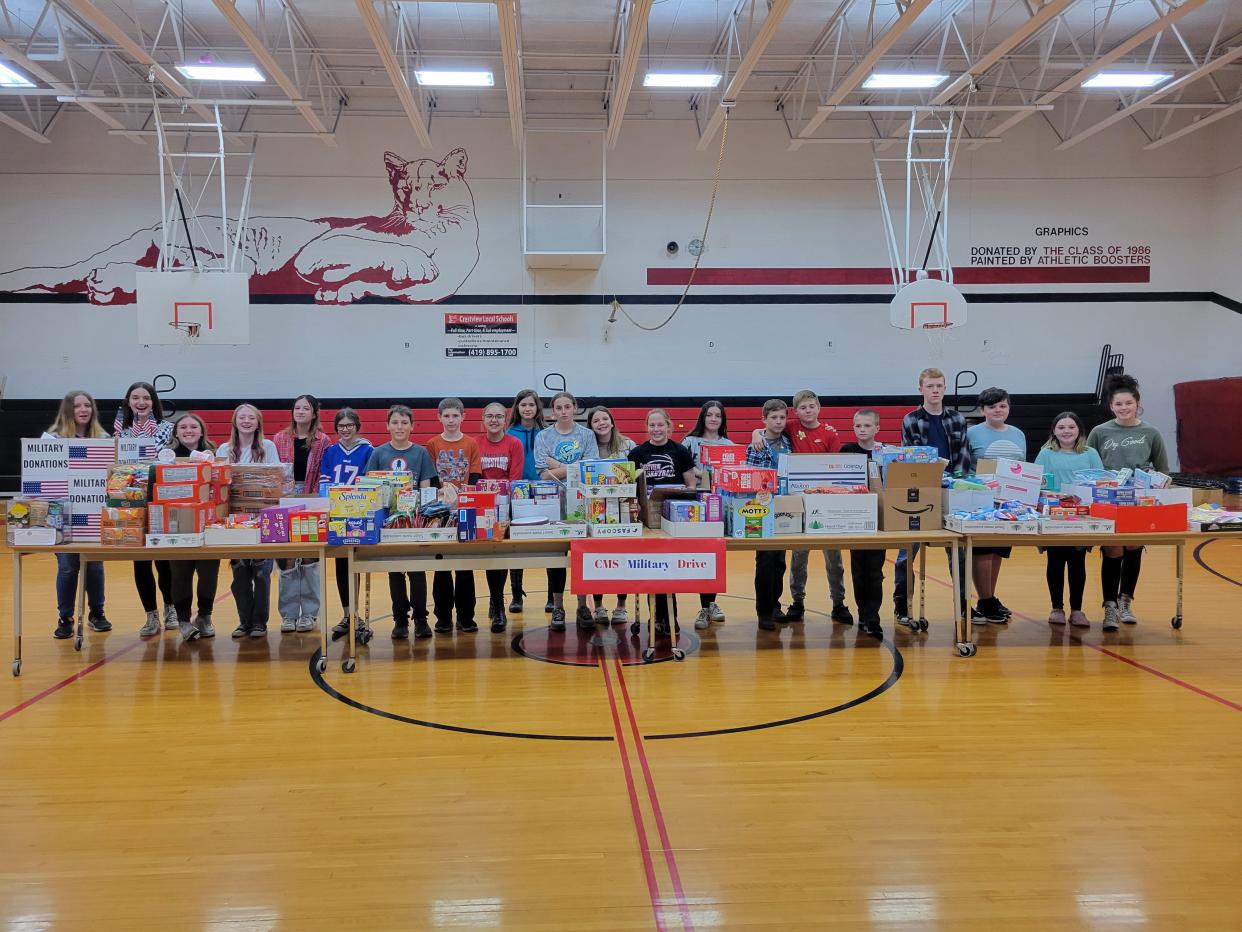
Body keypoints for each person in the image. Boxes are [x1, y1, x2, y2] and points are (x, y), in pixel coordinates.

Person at [751, 390, 850, 625]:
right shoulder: (790, 427)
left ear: (819, 407)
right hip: (796, 500)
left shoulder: (829, 432)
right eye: (803, 408)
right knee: (797, 556)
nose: (808, 411)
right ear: (795, 412)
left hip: (826, 500)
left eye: (812, 406)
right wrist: (755, 432)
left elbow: (836, 465)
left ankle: (839, 602)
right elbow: (766, 427)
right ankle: (797, 602)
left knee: (833, 556)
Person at [1088, 374, 1170, 630]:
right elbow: (1089, 465)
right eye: (1118, 404)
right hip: (1108, 501)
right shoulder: (1099, 432)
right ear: (1111, 406)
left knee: (1133, 548)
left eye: (1128, 403)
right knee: (1113, 550)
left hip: (1140, 500)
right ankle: (1109, 606)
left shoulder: (1151, 432)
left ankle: (1126, 601)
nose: (1124, 408)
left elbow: (1163, 470)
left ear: (1137, 403)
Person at [893, 368, 972, 625]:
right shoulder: (911, 419)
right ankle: (902, 606)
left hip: (952, 490)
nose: (935, 390)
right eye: (930, 386)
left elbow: (963, 456)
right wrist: (933, 474)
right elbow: (912, 456)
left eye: (939, 386)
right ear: (921, 389)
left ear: (945, 388)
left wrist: (958, 482)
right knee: (907, 551)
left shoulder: (958, 419)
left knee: (959, 552)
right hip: (921, 491)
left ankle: (963, 606)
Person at [365, 405, 437, 640]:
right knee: (395, 572)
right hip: (387, 523)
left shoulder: (421, 453)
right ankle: (400, 620)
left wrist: (421, 516)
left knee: (417, 571)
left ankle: (421, 618)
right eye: (395, 422)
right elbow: (370, 488)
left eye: (404, 423)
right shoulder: (378, 453)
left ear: (412, 426)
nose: (399, 427)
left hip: (413, 521)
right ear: (387, 426)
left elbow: (425, 488)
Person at [43, 390, 111, 639]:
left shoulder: (103, 438)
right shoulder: (52, 439)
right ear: (68, 410)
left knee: (94, 566)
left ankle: (97, 613)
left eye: (87, 406)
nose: (83, 410)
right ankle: (65, 617)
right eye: (77, 406)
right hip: (62, 516)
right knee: (68, 567)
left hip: (93, 515)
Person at [114, 380, 177, 636]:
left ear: (154, 402)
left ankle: (170, 608)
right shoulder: (120, 429)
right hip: (131, 501)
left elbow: (158, 455)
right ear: (128, 402)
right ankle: (150, 615)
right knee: (140, 562)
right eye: (136, 398)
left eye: (146, 398)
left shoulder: (166, 428)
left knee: (164, 560)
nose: (141, 402)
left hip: (159, 498)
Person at [534, 391, 599, 631]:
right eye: (558, 408)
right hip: (553, 502)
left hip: (581, 502)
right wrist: (573, 466)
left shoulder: (587, 435)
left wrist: (557, 465)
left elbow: (589, 468)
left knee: (581, 555)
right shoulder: (543, 436)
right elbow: (542, 471)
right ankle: (558, 606)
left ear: (575, 408)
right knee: (557, 558)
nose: (563, 411)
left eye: (567, 407)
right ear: (553, 412)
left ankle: (583, 605)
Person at [629, 409, 697, 635]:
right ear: (646, 427)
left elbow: (691, 486)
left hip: (671, 517)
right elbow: (631, 487)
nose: (656, 429)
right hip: (646, 519)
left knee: (667, 568)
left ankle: (669, 617)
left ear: (669, 426)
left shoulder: (680, 451)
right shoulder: (637, 453)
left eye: (660, 425)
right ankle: (655, 617)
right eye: (652, 425)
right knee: (651, 567)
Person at [216, 404, 280, 639]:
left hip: (262, 518)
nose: (246, 421)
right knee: (240, 572)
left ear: (258, 422)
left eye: (251, 417)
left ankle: (260, 622)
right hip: (234, 520)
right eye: (241, 417)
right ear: (234, 421)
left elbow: (275, 481)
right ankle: (244, 621)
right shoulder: (224, 449)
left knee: (262, 573)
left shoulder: (268, 447)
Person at [1035, 412, 1105, 628]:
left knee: (1077, 562)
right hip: (1054, 516)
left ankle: (1077, 610)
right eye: (1061, 427)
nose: (1066, 431)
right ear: (1054, 431)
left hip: (1082, 515)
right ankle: (1056, 607)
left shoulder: (1090, 453)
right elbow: (1037, 482)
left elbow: (1100, 482)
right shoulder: (1045, 454)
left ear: (1079, 430)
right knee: (1055, 561)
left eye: (1071, 427)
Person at [965, 387, 1027, 624]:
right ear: (983, 410)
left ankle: (987, 599)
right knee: (982, 550)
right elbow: (965, 466)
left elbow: (1021, 467)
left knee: (999, 550)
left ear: (1008, 407)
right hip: (981, 501)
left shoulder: (1018, 434)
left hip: (1009, 502)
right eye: (992, 407)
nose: (998, 410)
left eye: (1002, 405)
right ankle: (986, 598)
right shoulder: (972, 434)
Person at [273, 394, 331, 635]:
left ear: (314, 413)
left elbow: (323, 472)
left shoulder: (323, 440)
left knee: (309, 557)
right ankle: (288, 615)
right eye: (297, 408)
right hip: (284, 498)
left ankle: (309, 614)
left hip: (312, 497)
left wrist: (315, 500)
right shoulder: (279, 438)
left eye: (305, 408)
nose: (300, 412)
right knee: (286, 557)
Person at [426, 397, 483, 634]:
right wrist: (443, 495)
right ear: (439, 418)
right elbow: (430, 478)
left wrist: (464, 497)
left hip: (464, 508)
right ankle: (443, 616)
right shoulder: (432, 444)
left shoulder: (471, 443)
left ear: (463, 417)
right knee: (441, 563)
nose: (450, 420)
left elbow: (475, 476)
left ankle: (466, 615)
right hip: (440, 509)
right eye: (446, 416)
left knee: (464, 563)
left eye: (455, 416)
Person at [165, 414, 222, 642]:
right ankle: (184, 621)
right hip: (177, 525)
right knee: (180, 574)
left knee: (208, 572)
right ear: (176, 433)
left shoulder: (213, 456)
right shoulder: (166, 458)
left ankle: (205, 617)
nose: (188, 430)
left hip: (208, 525)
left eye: (193, 427)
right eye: (183, 427)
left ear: (201, 431)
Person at [319, 408, 374, 641]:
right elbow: (324, 482)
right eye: (341, 425)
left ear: (357, 426)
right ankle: (348, 614)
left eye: (349, 425)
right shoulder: (331, 451)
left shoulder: (368, 450)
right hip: (337, 514)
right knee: (342, 564)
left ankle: (357, 614)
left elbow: (371, 480)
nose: (345, 429)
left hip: (359, 513)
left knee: (356, 562)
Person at [682, 400, 735, 629]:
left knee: (716, 555)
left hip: (721, 506)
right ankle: (703, 608)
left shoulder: (729, 444)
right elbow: (682, 466)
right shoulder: (690, 442)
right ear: (702, 417)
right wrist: (703, 474)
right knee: (700, 557)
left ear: (722, 420)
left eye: (718, 416)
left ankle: (710, 604)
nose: (713, 419)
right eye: (709, 415)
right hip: (697, 507)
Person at [585, 404, 634, 624]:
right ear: (590, 426)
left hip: (623, 511)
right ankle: (598, 606)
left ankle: (621, 606)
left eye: (604, 419)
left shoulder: (628, 445)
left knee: (621, 560)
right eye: (596, 421)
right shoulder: (588, 447)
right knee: (598, 561)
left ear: (612, 421)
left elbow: (637, 476)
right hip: (595, 512)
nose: (601, 423)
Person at [478, 402, 525, 633]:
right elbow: (475, 478)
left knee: (504, 554)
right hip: (484, 509)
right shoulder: (476, 443)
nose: (494, 420)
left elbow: (515, 478)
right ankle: (496, 603)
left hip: (507, 506)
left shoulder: (514, 443)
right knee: (491, 554)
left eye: (498, 416)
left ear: (505, 420)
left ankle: (500, 602)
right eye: (490, 416)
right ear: (483, 419)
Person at [840, 409, 886, 638]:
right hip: (854, 517)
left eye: (867, 426)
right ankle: (863, 613)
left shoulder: (884, 453)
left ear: (877, 428)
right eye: (858, 426)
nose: (862, 430)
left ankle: (873, 616)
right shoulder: (847, 451)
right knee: (859, 568)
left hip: (879, 518)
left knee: (875, 570)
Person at [749, 400, 792, 631]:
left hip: (784, 506)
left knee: (779, 562)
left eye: (782, 418)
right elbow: (751, 477)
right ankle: (763, 610)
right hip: (762, 507)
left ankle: (775, 604)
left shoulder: (788, 442)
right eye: (773, 418)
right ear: (764, 419)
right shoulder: (756, 444)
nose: (778, 422)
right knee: (765, 560)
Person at [505, 388, 546, 615]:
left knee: (552, 544)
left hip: (544, 491)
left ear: (537, 408)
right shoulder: (510, 433)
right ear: (517, 408)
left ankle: (552, 596)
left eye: (531, 405)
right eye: (523, 405)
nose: (527, 409)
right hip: (518, 493)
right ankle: (516, 594)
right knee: (515, 545)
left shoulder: (546, 432)